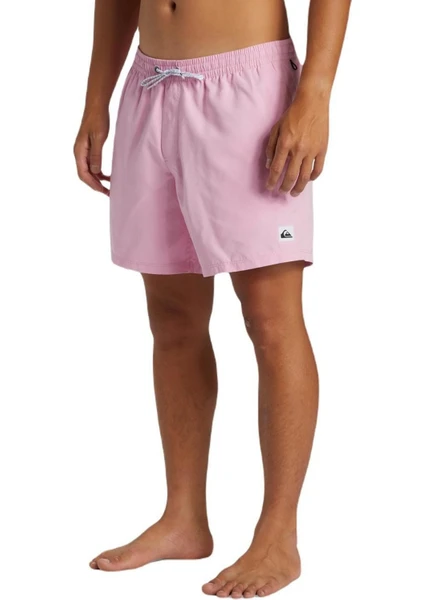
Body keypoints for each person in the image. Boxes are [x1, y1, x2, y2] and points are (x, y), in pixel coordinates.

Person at [74, 0, 350, 596]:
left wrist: (316, 92)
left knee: (271, 320)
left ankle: (278, 536)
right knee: (172, 319)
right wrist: (97, 98)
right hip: (151, 85)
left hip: (248, 87)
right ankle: (183, 519)